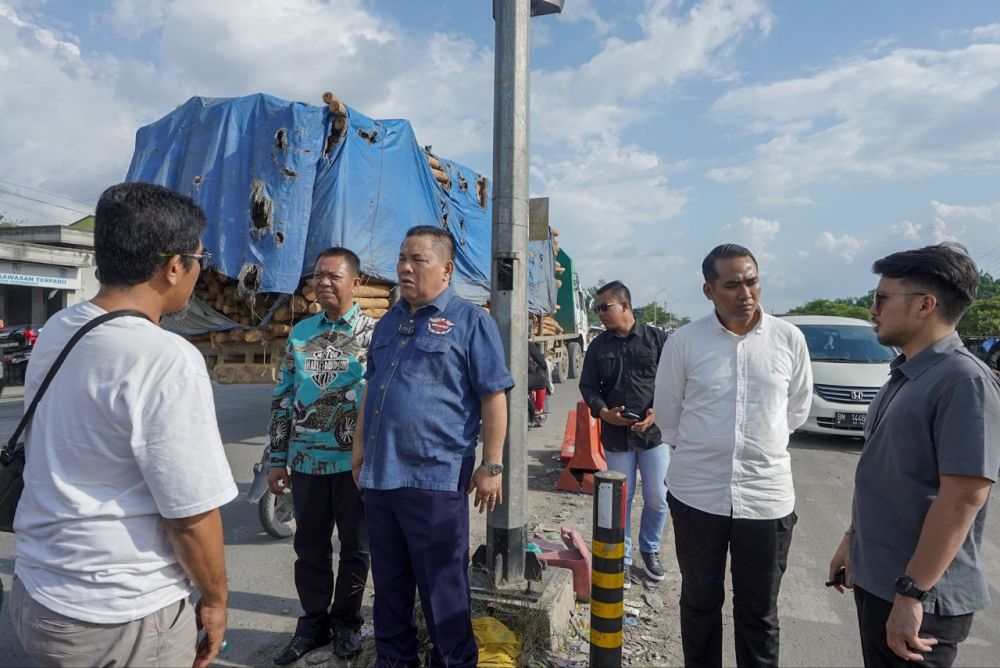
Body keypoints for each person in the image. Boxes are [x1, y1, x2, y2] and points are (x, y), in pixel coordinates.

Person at [10, 182, 238, 668]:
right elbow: (190, 515)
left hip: (38, 592)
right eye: (201, 257)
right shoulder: (165, 357)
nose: (200, 270)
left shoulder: (60, 328)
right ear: (174, 266)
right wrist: (215, 599)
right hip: (121, 614)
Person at [828, 243, 1000, 667]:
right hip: (882, 580)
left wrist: (913, 592)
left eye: (882, 299)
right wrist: (852, 542)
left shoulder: (963, 382)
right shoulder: (905, 373)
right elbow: (887, 475)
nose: (873, 311)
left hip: (920, 596)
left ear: (925, 305)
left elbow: (963, 497)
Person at [351, 225, 513, 668]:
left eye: (416, 260)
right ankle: (394, 660)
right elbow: (372, 387)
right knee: (390, 585)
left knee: (443, 588)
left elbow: (493, 395)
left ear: (446, 268)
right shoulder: (389, 321)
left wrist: (492, 464)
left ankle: (454, 662)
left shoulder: (470, 322)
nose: (404, 267)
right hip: (381, 477)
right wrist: (359, 448)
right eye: (402, 258)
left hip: (435, 479)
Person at [653, 244, 812, 668]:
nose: (745, 292)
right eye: (732, 284)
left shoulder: (788, 339)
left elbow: (795, 410)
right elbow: (668, 417)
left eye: (752, 280)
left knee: (759, 614)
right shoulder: (684, 343)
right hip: (698, 497)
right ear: (709, 290)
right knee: (700, 604)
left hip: (766, 500)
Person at [267, 247, 375, 664]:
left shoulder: (374, 333)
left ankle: (346, 623)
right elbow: (283, 397)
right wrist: (278, 458)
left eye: (334, 275)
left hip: (355, 466)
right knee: (309, 548)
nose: (323, 282)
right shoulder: (300, 333)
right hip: (307, 464)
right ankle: (313, 624)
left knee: (356, 549)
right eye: (318, 275)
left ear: (356, 283)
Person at [579, 280, 670, 587]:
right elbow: (588, 387)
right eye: (597, 309)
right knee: (622, 499)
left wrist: (659, 411)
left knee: (658, 497)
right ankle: (624, 559)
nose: (600, 314)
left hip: (653, 435)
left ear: (626, 306)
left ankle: (650, 549)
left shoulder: (658, 340)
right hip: (616, 438)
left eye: (605, 307)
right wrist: (603, 412)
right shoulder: (598, 346)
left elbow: (676, 383)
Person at [528, 339, 548, 428]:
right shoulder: (528, 345)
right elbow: (542, 362)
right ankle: (539, 409)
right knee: (542, 380)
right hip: (526, 379)